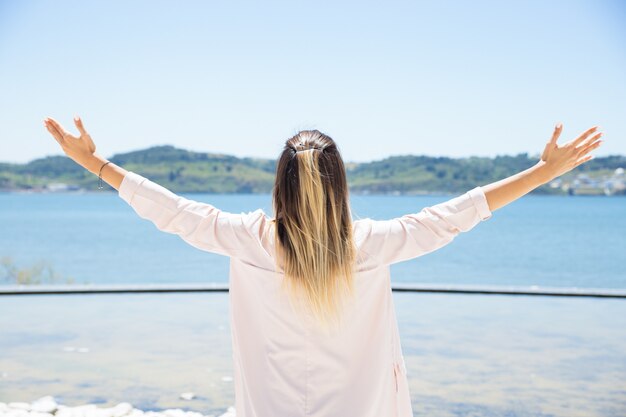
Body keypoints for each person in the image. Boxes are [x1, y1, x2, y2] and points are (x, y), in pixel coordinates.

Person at [44, 116, 603, 417]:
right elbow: (459, 213)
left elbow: (170, 210)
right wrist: (541, 173)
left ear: (280, 187)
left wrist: (94, 163)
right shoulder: (372, 245)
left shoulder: (249, 241)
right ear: (339, 187)